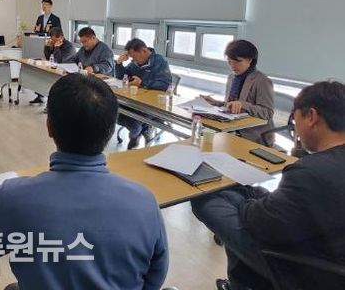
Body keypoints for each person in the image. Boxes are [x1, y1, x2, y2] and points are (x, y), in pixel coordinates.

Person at [0, 73, 168, 290]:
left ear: (49, 126)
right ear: (112, 128)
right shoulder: (145, 201)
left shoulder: (11, 198)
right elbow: (155, 276)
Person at [191, 81, 345, 290]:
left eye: (294, 119)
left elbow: (261, 224)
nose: (295, 129)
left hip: (306, 270)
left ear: (311, 116)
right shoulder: (320, 169)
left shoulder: (311, 171)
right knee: (241, 192)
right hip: (328, 253)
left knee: (207, 199)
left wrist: (246, 204)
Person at [202, 40, 274, 144]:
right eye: (230, 61)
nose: (233, 66)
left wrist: (243, 105)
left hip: (253, 135)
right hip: (231, 129)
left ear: (250, 60)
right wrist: (216, 103)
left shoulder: (261, 81)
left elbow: (267, 113)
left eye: (237, 61)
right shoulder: (232, 77)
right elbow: (232, 105)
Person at [116, 38, 173, 149]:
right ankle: (142, 129)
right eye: (132, 57)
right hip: (135, 101)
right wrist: (119, 64)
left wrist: (143, 83)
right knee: (114, 110)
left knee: (133, 120)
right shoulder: (135, 63)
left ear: (144, 51)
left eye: (134, 56)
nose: (133, 60)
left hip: (153, 104)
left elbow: (165, 84)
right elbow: (123, 78)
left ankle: (135, 136)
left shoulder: (160, 61)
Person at [29, 27, 77, 105]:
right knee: (39, 74)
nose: (53, 42)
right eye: (52, 39)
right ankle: (40, 96)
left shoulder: (69, 46)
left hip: (65, 72)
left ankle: (52, 103)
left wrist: (57, 47)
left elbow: (59, 60)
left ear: (61, 37)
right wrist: (47, 47)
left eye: (54, 40)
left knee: (50, 80)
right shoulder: (54, 43)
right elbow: (49, 57)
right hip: (55, 69)